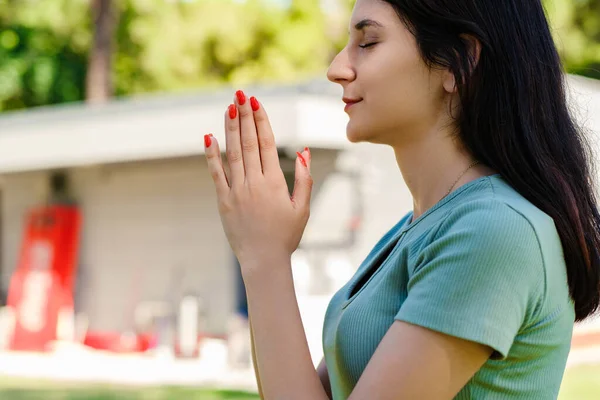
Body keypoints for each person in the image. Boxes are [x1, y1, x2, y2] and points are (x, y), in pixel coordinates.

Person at [203, 0, 600, 398]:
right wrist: (261, 254)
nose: (337, 69)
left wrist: (265, 259)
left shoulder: (495, 229)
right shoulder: (419, 227)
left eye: (368, 41)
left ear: (458, 61)